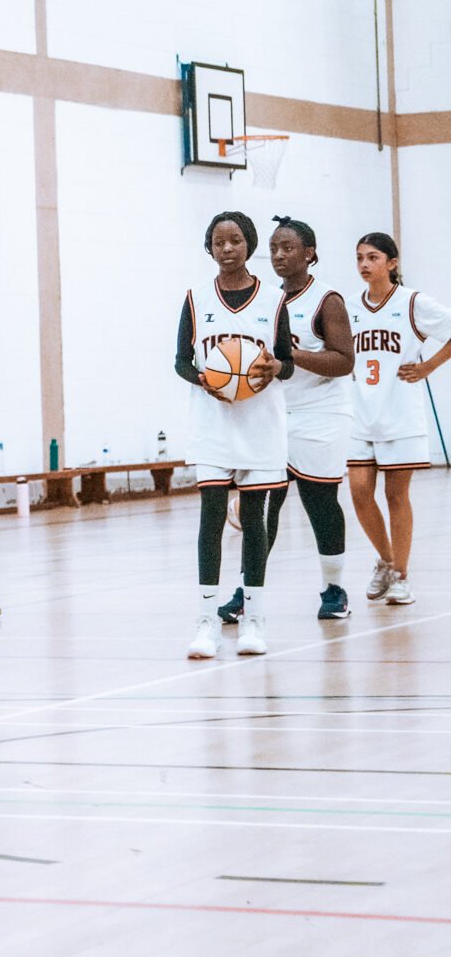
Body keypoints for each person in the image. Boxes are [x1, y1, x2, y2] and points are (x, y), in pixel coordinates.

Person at [218, 217, 354, 623]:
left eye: (288, 248)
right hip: (276, 414)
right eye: (274, 248)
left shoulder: (327, 300)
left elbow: (345, 360)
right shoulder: (264, 301)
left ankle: (334, 588)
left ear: (309, 253)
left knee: (319, 501)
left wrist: (288, 361)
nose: (278, 255)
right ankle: (246, 592)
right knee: (263, 506)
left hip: (320, 414)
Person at [176, 211, 293, 659]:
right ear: (209, 248)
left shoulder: (273, 301)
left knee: (254, 521)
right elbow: (180, 361)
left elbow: (287, 361)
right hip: (212, 422)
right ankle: (206, 622)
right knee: (210, 518)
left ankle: (253, 619)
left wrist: (275, 368)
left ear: (250, 245)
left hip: (260, 421)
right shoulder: (194, 298)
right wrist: (204, 380)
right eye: (219, 241)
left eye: (236, 240)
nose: (228, 248)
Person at [347, 231, 451, 605]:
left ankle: (402, 575)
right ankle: (386, 561)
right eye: (359, 257)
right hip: (360, 412)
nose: (364, 264)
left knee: (395, 495)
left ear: (392, 263)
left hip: (400, 413)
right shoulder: (349, 306)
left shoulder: (412, 303)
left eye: (372, 257)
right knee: (359, 493)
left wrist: (428, 368)